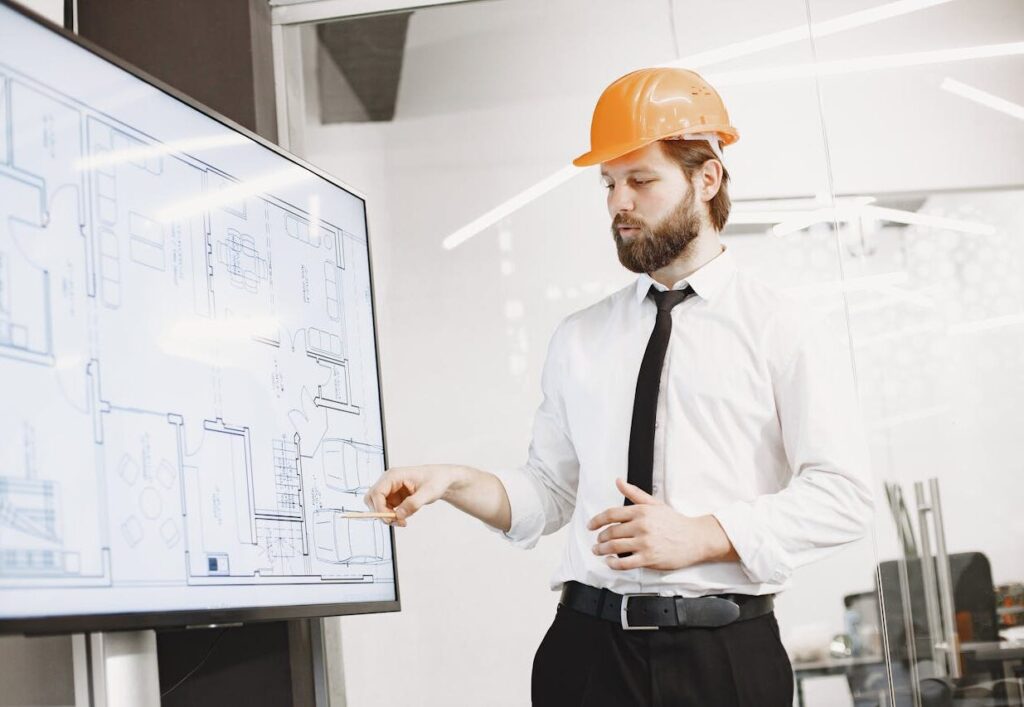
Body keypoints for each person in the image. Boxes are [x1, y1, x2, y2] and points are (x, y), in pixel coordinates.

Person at [364, 67, 874, 706]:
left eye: (640, 180)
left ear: (705, 177)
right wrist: (455, 481)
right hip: (586, 653)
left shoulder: (782, 327)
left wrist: (705, 533)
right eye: (608, 184)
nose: (618, 204)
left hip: (724, 659)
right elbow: (550, 495)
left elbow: (844, 496)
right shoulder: (581, 336)